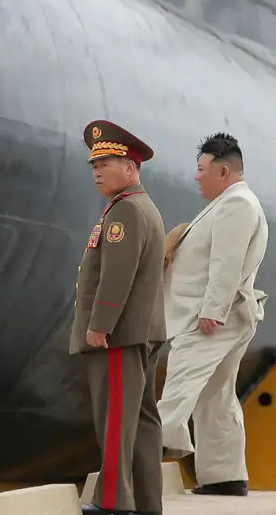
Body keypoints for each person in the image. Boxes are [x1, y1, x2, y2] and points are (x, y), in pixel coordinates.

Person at [156, 132, 268, 497]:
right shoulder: (230, 202)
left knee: (178, 387)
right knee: (217, 397)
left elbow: (227, 262)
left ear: (223, 172)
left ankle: (139, 462)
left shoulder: (237, 205)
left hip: (211, 319)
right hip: (225, 315)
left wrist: (212, 312)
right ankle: (225, 476)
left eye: (202, 169)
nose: (196, 176)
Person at [70, 119, 167, 515]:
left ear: (130, 167)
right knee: (142, 421)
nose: (97, 170)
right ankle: (146, 503)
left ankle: (112, 503)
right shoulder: (139, 207)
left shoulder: (125, 213)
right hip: (141, 331)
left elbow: (116, 276)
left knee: (115, 421)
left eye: (106, 163)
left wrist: (99, 326)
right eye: (94, 164)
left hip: (119, 336)